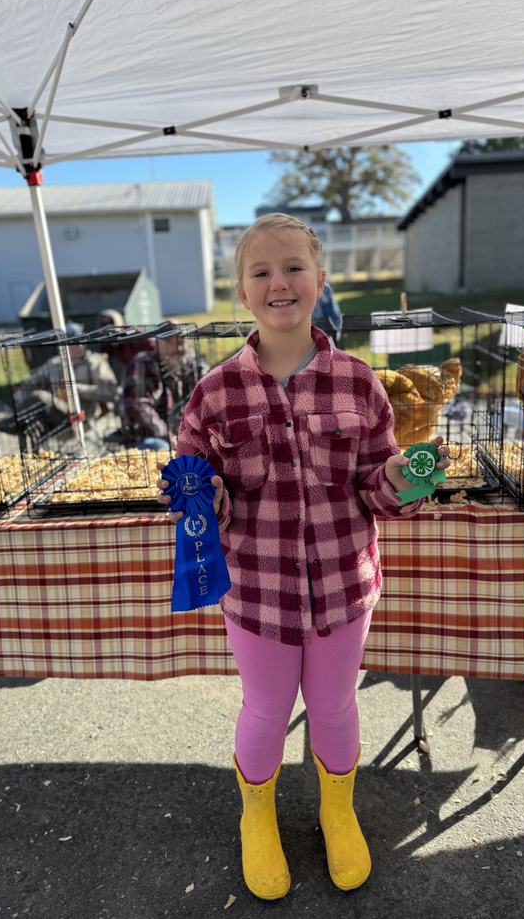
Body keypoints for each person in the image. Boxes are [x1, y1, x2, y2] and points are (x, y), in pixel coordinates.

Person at [156, 213, 450, 899]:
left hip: (345, 584)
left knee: (336, 703)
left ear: (321, 279)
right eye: (261, 271)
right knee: (264, 706)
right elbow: (196, 486)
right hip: (257, 592)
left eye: (293, 267)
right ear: (241, 291)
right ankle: (256, 814)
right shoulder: (214, 391)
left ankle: (336, 807)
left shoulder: (358, 382)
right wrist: (202, 496)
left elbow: (375, 486)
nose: (278, 282)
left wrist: (406, 478)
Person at [0, 321, 118, 435]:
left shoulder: (94, 362)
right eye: (70, 342)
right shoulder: (55, 363)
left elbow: (111, 392)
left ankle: (6, 425)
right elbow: (32, 381)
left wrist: (76, 389)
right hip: (58, 412)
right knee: (32, 405)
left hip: (83, 415)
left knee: (40, 396)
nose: (75, 346)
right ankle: (9, 426)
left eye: (78, 341)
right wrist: (21, 388)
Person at [118, 328, 205, 450]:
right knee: (159, 447)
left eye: (182, 340)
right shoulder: (142, 364)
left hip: (185, 435)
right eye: (171, 341)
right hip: (150, 436)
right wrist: (166, 436)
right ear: (159, 343)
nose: (179, 346)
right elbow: (138, 405)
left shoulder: (192, 367)